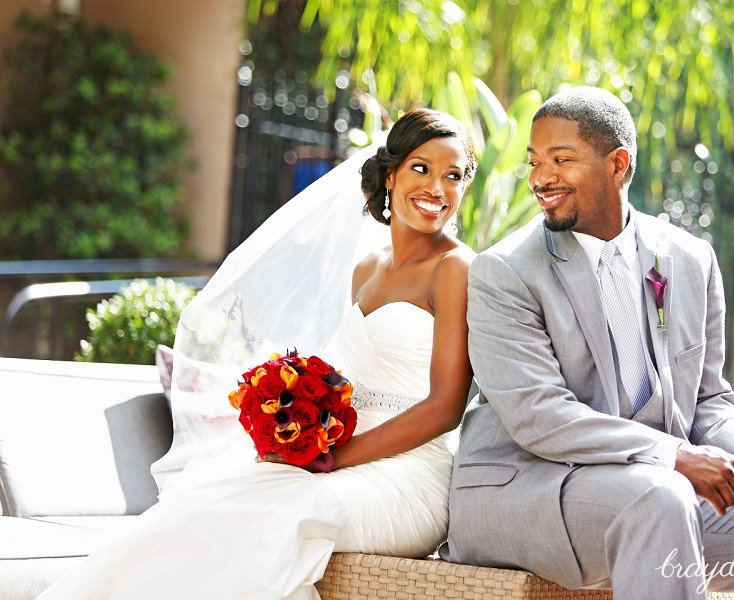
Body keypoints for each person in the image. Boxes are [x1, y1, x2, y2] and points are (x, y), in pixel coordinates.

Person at [37, 108, 477, 600]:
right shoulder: (366, 269)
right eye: (422, 168)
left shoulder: (456, 268)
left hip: (410, 475)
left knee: (270, 517)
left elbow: (445, 409)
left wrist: (331, 457)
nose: (437, 187)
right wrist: (299, 434)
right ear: (391, 173)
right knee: (197, 508)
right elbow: (350, 380)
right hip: (340, 456)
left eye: (453, 176)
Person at [440, 86, 734, 599]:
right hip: (527, 489)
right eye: (535, 161)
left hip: (651, 489)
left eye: (561, 159)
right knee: (660, 499)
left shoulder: (690, 260)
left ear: (618, 164)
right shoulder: (504, 272)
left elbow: (709, 401)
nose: (540, 178)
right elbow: (539, 417)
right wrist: (678, 457)